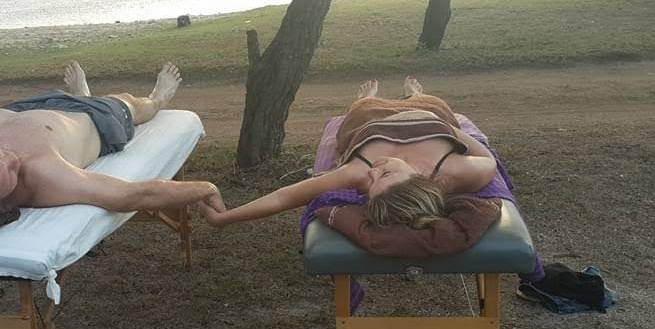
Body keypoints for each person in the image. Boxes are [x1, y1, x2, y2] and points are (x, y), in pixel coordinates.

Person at [0, 62, 224, 213]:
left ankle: (80, 93)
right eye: (13, 174)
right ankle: (159, 98)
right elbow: (134, 196)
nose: (13, 159)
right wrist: (204, 188)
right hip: (94, 119)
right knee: (129, 102)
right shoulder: (44, 176)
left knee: (67, 100)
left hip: (24, 108)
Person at [198, 76, 497, 228]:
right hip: (426, 114)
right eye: (386, 173)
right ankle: (414, 95)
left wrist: (224, 219)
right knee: (431, 102)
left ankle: (369, 98)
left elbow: (286, 196)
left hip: (370, 120)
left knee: (359, 109)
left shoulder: (359, 173)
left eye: (373, 181)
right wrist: (447, 129)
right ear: (420, 179)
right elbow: (488, 159)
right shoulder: (456, 170)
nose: (374, 169)